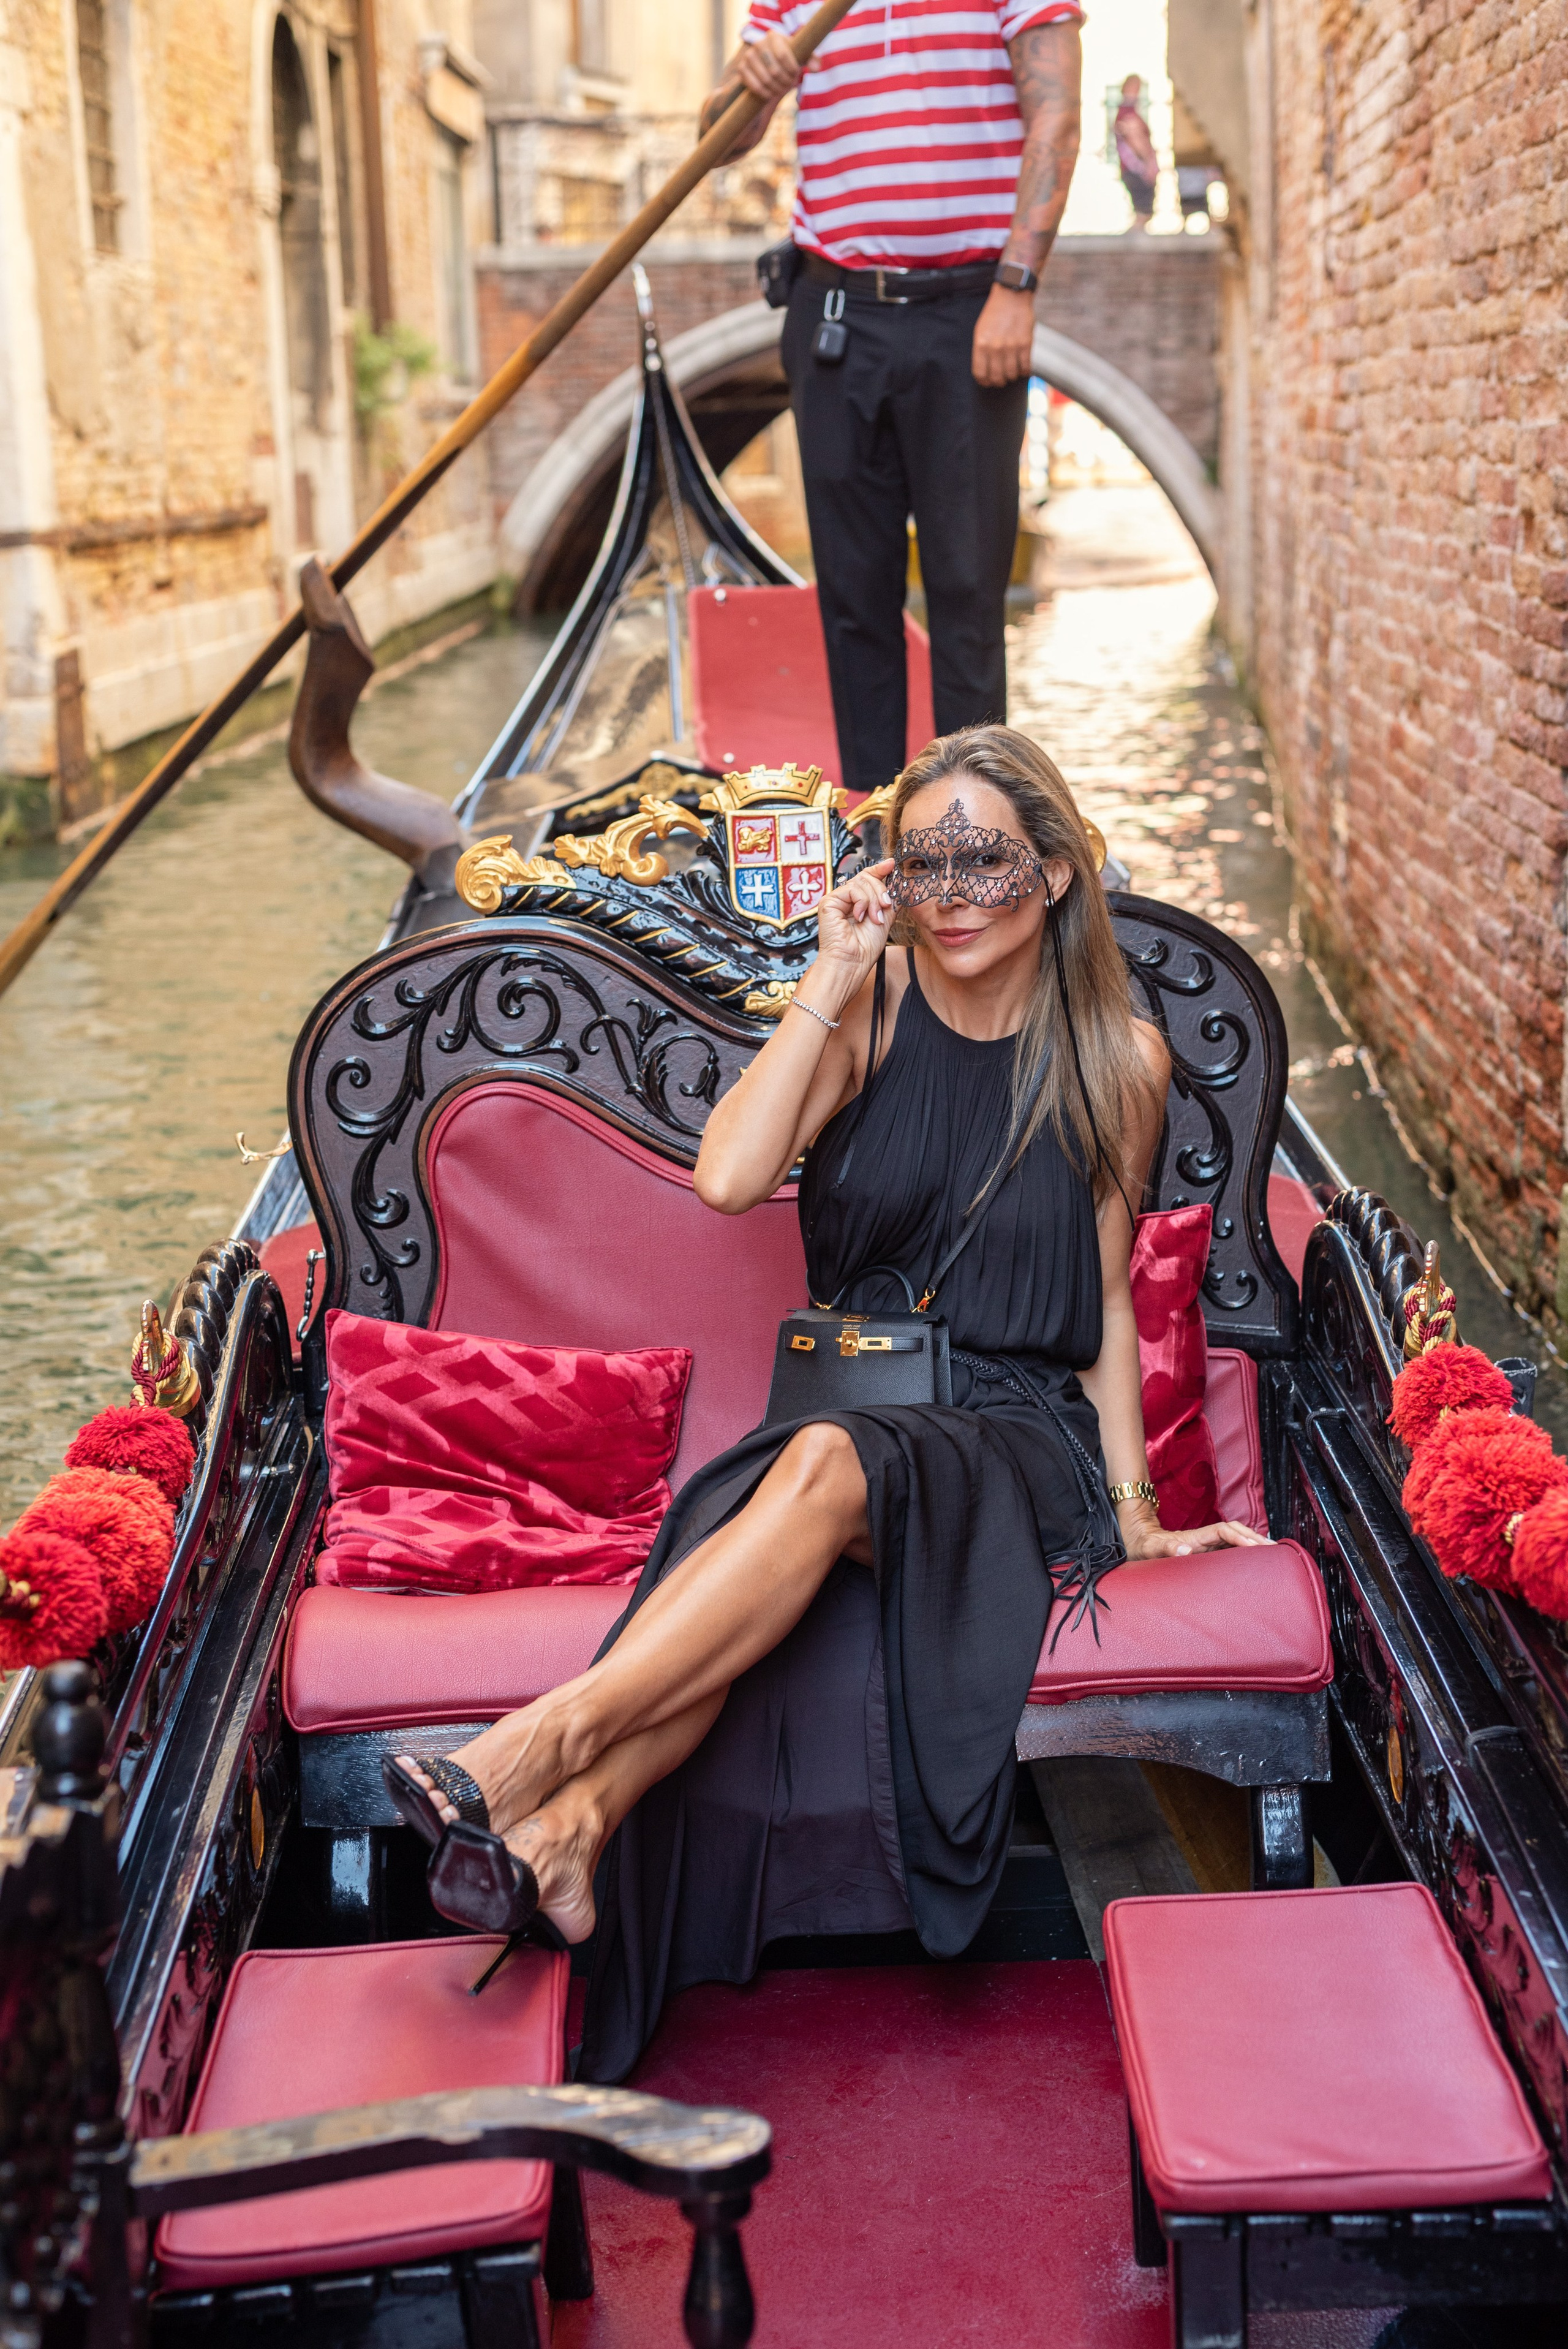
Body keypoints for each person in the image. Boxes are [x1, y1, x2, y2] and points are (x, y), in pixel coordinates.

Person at [386, 724, 1265, 2082]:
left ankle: (537, 1750)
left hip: (1015, 1442)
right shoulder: (869, 1004)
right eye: (924, 860)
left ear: (1053, 870)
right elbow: (733, 1179)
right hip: (854, 1409)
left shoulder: (1122, 1063)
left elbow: (1098, 1305)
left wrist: (1138, 1518)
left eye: (985, 857)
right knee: (773, 1498)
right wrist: (830, 968)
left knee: (809, 1480)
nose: (955, 889)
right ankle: (565, 1830)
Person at [693, 3, 1087, 800]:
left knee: (968, 593)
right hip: (834, 312)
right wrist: (751, 82)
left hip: (970, 309)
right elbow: (717, 143)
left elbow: (1057, 111)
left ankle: (973, 825)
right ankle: (879, 827)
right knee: (852, 591)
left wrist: (1017, 285)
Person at [1114, 75, 1159, 230]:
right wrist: (1148, 165)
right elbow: (1136, 141)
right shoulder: (1127, 113)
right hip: (1136, 169)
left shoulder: (1128, 113)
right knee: (1143, 213)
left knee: (1143, 213)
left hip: (1135, 168)